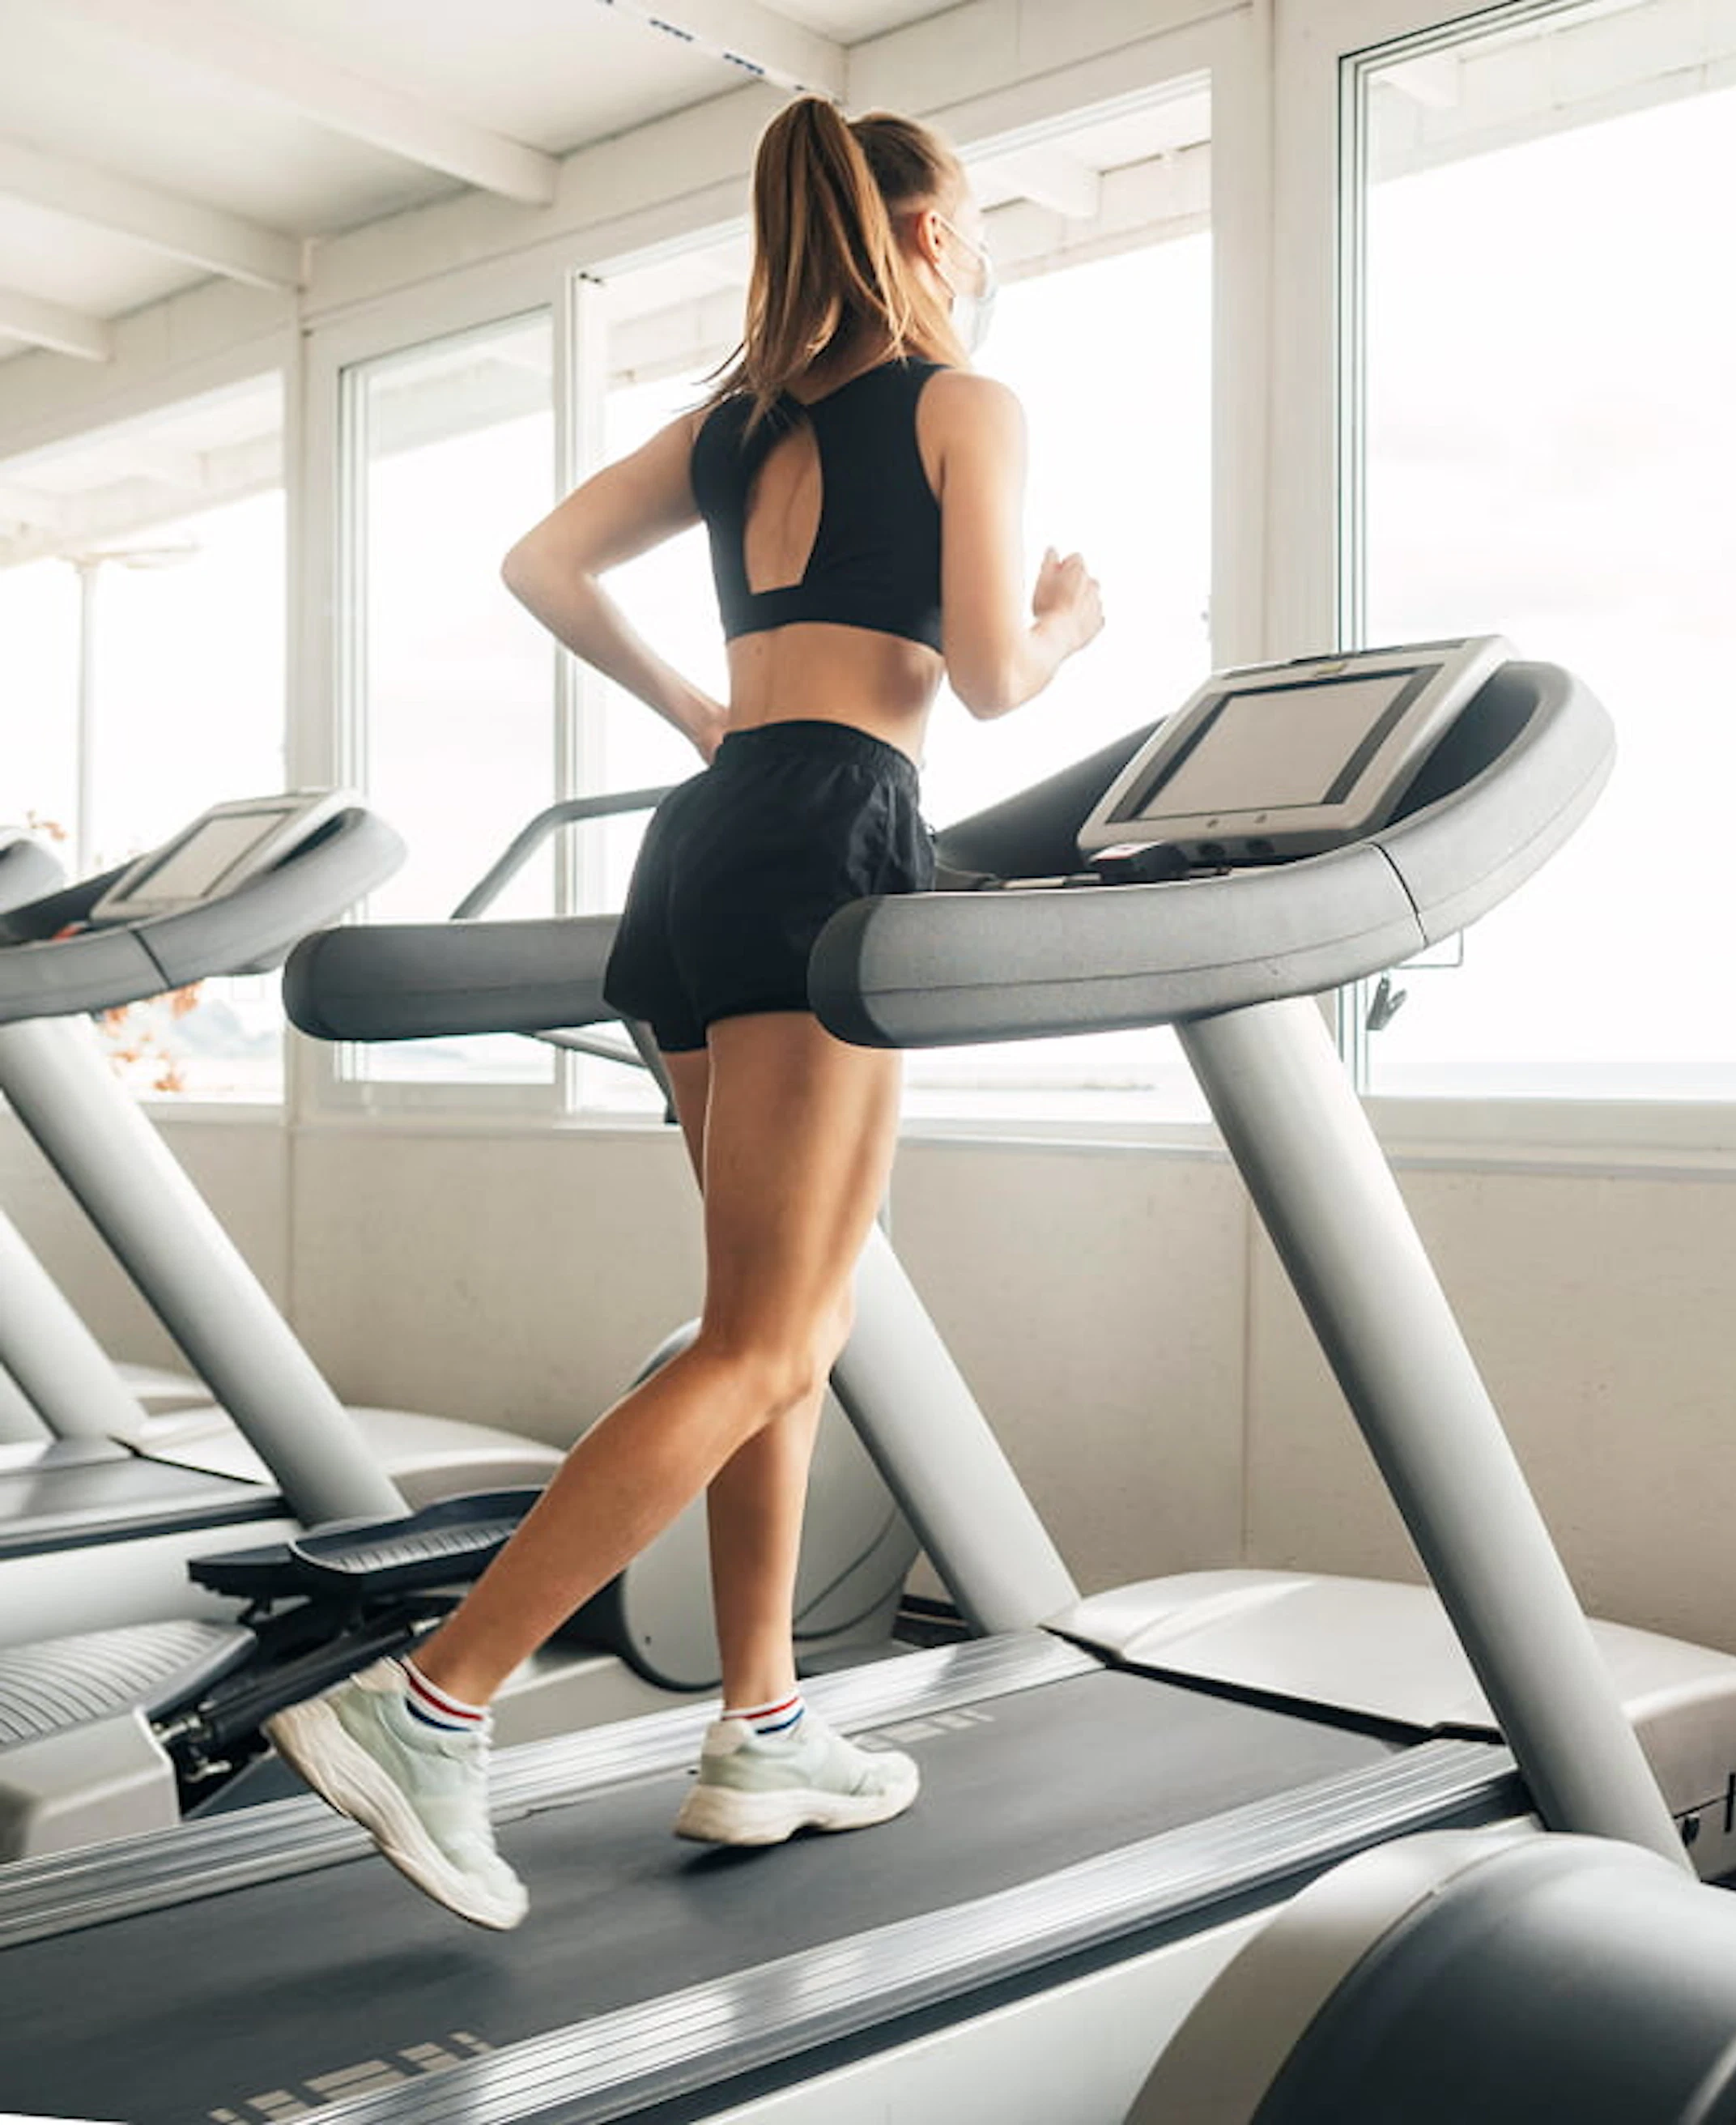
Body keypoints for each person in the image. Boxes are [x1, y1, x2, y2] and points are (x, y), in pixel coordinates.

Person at [262, 95, 1105, 1931]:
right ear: (933, 235)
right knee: (768, 1338)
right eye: (970, 224)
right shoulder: (967, 405)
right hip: (841, 830)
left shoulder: (736, 424)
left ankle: (761, 1724)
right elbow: (982, 676)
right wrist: (1071, 619)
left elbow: (540, 565)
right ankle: (432, 1704)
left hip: (707, 835)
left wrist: (700, 718)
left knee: (771, 1331)